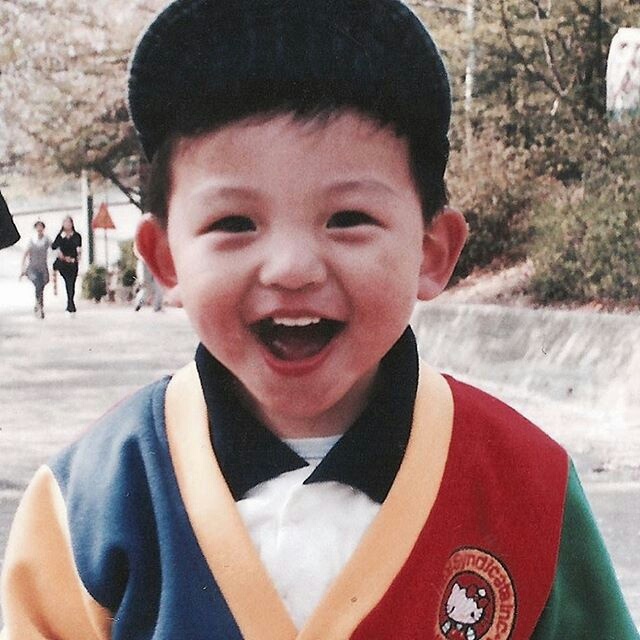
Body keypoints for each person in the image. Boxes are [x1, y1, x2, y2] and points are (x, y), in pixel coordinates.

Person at [1, 1, 638, 639]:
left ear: (431, 253)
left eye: (348, 219)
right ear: (165, 259)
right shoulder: (86, 508)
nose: (292, 268)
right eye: (234, 223)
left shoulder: (530, 489)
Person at [20, 220, 51, 319]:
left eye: (41, 226)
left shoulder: (46, 240)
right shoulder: (31, 240)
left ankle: (39, 304)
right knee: (37, 283)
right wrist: (23, 267)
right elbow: (25, 253)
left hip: (43, 267)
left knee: (41, 286)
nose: (39, 229)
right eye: (37, 227)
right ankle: (39, 304)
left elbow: (53, 250)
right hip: (33, 267)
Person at [51, 215, 82, 314]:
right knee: (67, 281)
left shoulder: (76, 236)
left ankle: (70, 302)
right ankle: (70, 303)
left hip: (73, 262)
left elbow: (79, 248)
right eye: (66, 223)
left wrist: (77, 258)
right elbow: (53, 246)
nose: (67, 225)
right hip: (63, 262)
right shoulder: (61, 235)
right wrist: (61, 254)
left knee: (72, 283)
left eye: (69, 222)